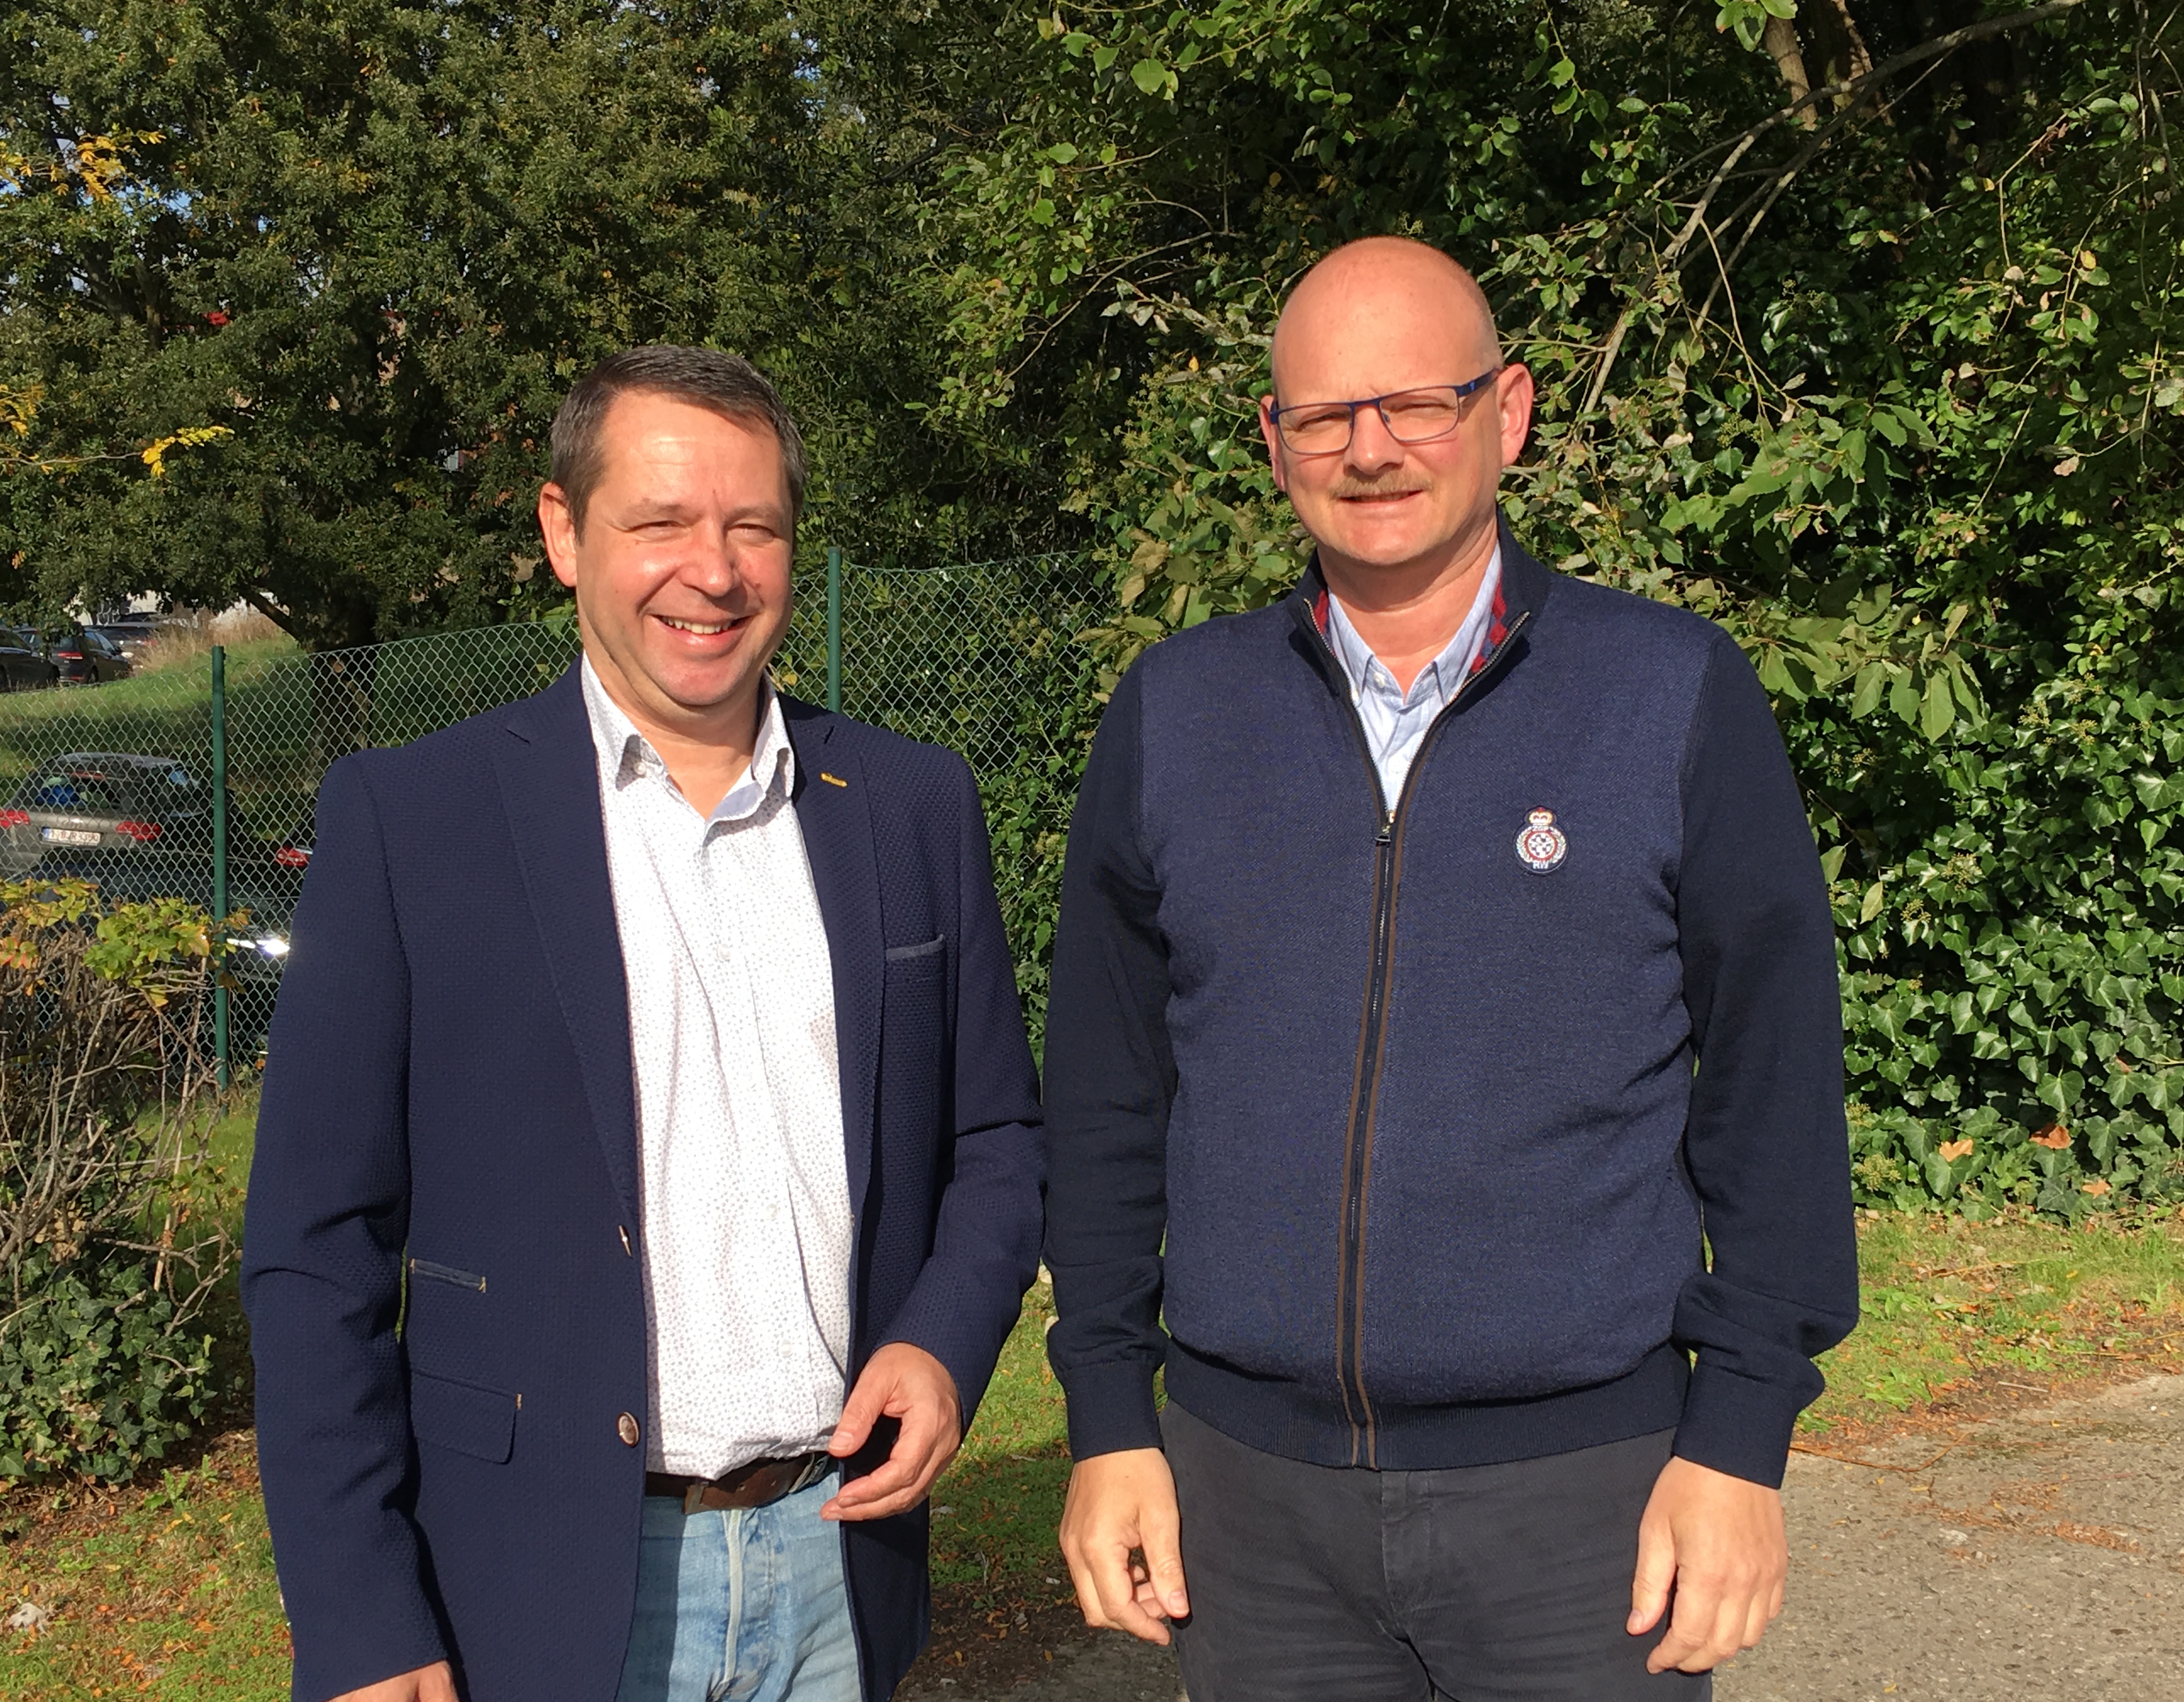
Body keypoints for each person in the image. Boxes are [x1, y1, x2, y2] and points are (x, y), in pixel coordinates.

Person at [1043, 237, 1859, 1700]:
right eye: (1325, 415)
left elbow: (1775, 1082)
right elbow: (1107, 1095)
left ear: (1510, 411)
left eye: (1419, 402)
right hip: (1250, 1509)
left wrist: (1740, 1437)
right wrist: (1110, 1415)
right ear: (1274, 442)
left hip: (1584, 1504)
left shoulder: (1669, 692)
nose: (1372, 450)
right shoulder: (1176, 712)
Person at [242, 346, 1045, 1702]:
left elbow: (999, 1139)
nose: (712, 572)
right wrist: (362, 1616)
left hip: (840, 1565)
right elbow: (316, 1251)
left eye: (753, 527)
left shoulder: (911, 805)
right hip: (541, 1592)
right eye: (661, 522)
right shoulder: (413, 822)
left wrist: (943, 1342)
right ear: (564, 532)